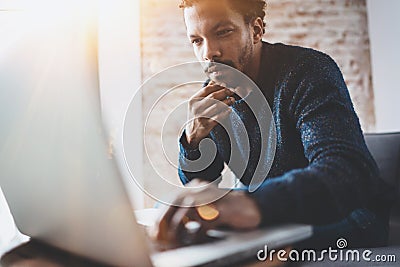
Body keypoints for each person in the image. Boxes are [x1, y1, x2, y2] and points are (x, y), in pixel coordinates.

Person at [155, 0, 393, 249]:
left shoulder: (307, 71)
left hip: (351, 215)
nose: (209, 53)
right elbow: (202, 181)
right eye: (196, 40)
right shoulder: (215, 94)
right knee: (170, 212)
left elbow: (347, 171)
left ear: (256, 30)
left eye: (222, 32)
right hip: (269, 213)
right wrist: (193, 140)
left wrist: (252, 203)